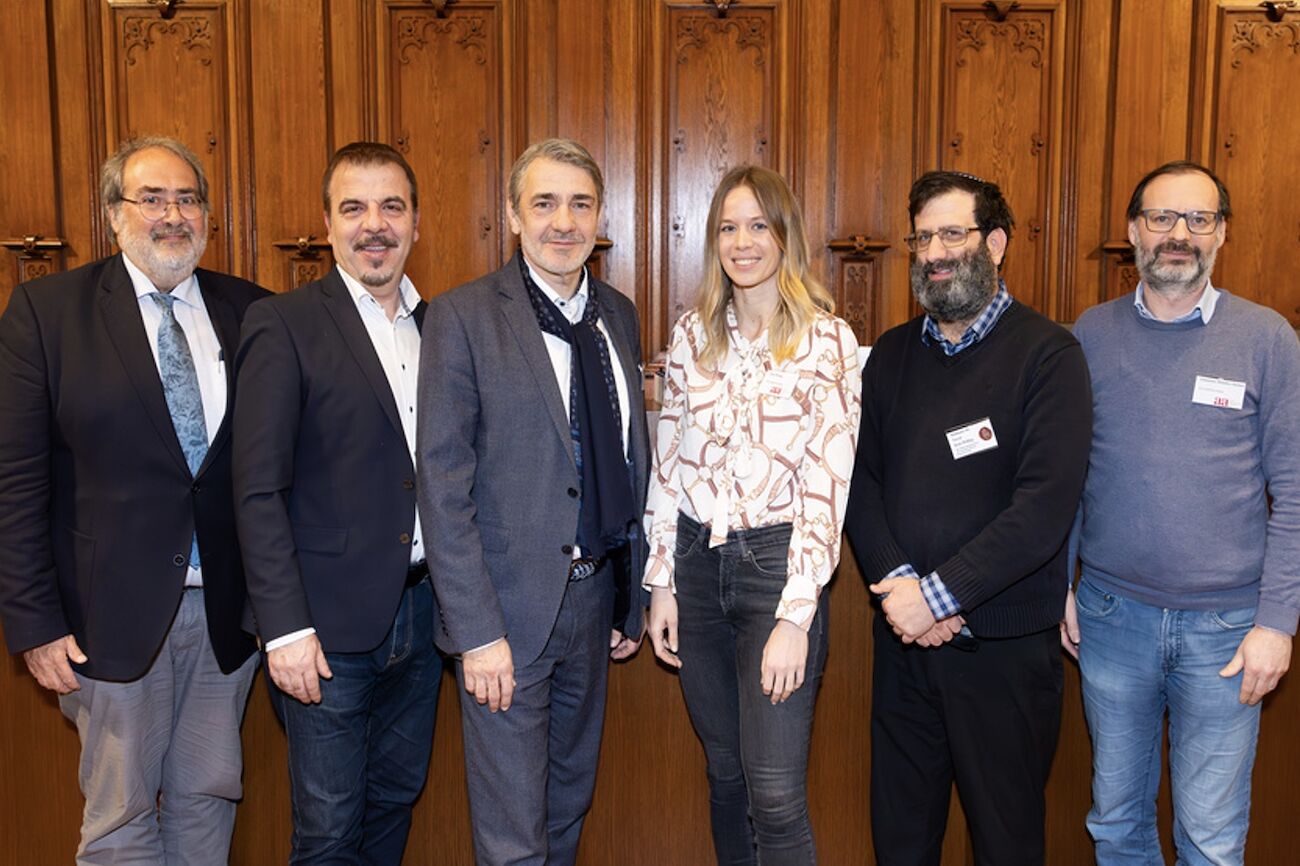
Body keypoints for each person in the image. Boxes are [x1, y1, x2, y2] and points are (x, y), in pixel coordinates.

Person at [0, 136, 267, 864]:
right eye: (151, 198)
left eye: (187, 198)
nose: (172, 214)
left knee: (209, 798)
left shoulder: (256, 312)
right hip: (105, 618)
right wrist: (33, 622)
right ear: (115, 215)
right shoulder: (48, 313)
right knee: (119, 815)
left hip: (225, 619)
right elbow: (15, 479)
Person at [845, 170, 1092, 866]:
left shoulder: (1049, 355)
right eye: (922, 238)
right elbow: (861, 482)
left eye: (952, 234)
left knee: (1006, 843)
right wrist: (902, 589)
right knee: (900, 841)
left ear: (996, 243)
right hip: (903, 646)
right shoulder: (890, 354)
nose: (934, 252)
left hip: (1003, 653)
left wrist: (938, 596)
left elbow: (1043, 509)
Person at [417, 138, 649, 866]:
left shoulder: (618, 312)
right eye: (544, 203)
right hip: (506, 617)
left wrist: (631, 599)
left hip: (594, 600)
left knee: (567, 806)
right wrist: (477, 632)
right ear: (513, 215)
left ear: (600, 216)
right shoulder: (463, 317)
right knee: (513, 833)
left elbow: (627, 458)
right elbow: (443, 487)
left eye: (580, 203)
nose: (563, 221)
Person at [1063, 160, 1300, 866]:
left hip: (1227, 634)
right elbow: (1069, 473)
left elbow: (1294, 489)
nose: (1179, 235)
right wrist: (1061, 586)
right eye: (1162, 218)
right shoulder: (1090, 334)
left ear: (1221, 234)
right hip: (1111, 618)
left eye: (1198, 219)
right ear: (1134, 231)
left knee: (1211, 836)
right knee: (1117, 824)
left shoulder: (1266, 339)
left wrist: (1277, 625)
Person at [642, 165, 860, 864]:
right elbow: (667, 469)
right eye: (728, 227)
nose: (742, 242)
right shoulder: (690, 336)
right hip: (697, 571)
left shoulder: (829, 341)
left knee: (774, 791)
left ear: (784, 236)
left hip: (777, 570)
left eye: (758, 225)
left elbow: (829, 484)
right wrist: (661, 583)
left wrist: (797, 617)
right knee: (726, 776)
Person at [232, 141, 441, 863]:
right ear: (327, 224)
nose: (374, 225)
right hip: (322, 635)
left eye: (391, 206)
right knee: (327, 831)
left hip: (422, 615)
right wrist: (284, 629)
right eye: (354, 208)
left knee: (393, 802)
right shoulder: (284, 324)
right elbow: (256, 487)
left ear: (416, 223)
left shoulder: (439, 326)